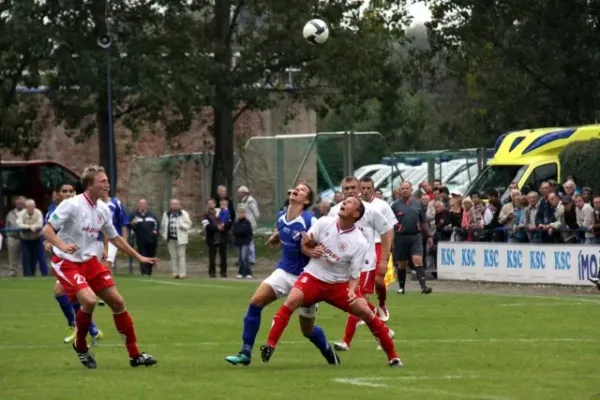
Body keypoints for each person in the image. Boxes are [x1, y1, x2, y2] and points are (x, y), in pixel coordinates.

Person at [260, 197, 402, 367]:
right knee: (292, 301)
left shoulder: (359, 242)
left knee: (366, 312)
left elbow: (355, 274)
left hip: (338, 285)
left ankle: (393, 357)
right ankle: (270, 345)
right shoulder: (324, 222)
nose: (344, 203)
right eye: (345, 201)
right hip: (313, 278)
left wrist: (351, 290)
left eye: (349, 203)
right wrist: (310, 250)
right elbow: (305, 245)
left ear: (356, 214)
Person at [42, 165, 158, 369]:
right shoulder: (71, 205)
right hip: (66, 262)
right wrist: (63, 246)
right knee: (89, 299)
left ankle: (135, 355)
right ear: (89, 185)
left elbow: (115, 238)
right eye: (102, 181)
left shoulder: (103, 209)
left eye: (107, 180)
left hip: (89, 262)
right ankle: (81, 345)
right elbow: (47, 229)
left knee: (118, 302)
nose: (107, 184)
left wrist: (139, 256)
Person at [225, 183, 340, 366]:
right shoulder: (281, 216)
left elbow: (324, 244)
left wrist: (312, 250)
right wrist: (277, 236)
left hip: (306, 278)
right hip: (284, 272)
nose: (297, 190)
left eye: (302, 190)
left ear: (307, 200)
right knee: (255, 302)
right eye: (296, 188)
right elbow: (287, 229)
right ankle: (245, 352)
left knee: (307, 330)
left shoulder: (311, 221)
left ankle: (327, 350)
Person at [327, 176, 394, 352]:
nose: (350, 191)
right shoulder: (335, 211)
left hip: (365, 264)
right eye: (346, 188)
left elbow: (387, 231)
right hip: (343, 266)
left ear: (359, 189)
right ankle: (384, 331)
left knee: (355, 300)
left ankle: (346, 342)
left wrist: (384, 259)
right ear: (341, 191)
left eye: (353, 187)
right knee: (360, 302)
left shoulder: (371, 210)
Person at [45, 182, 104, 345]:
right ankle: (89, 329)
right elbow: (48, 233)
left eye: (71, 191)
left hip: (81, 258)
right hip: (65, 259)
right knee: (64, 293)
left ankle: (81, 327)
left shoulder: (79, 207)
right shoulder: (52, 212)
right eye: (64, 191)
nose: (68, 194)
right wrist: (48, 243)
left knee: (63, 292)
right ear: (56, 194)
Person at [358, 176, 396, 321]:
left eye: (369, 188)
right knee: (359, 283)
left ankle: (382, 304)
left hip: (379, 245)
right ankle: (363, 311)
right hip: (362, 247)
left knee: (379, 281)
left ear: (373, 189)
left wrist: (388, 252)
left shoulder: (382, 205)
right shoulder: (355, 205)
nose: (366, 191)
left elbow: (389, 229)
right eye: (363, 188)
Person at [392, 181, 433, 294]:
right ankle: (401, 288)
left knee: (417, 260)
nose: (405, 190)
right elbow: (390, 222)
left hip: (415, 236)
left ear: (411, 189)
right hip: (400, 237)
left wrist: (429, 235)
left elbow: (424, 222)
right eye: (403, 188)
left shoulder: (418, 204)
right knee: (402, 264)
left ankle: (424, 287)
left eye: (407, 188)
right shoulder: (395, 205)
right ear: (400, 190)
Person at [129, 199, 159, 276]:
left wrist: (155, 232)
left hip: (152, 240)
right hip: (140, 239)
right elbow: (129, 225)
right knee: (142, 255)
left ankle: (149, 272)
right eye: (141, 204)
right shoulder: (134, 214)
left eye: (144, 204)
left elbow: (157, 224)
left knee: (150, 255)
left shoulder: (152, 215)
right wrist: (133, 224)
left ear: (146, 205)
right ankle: (144, 272)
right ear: (138, 205)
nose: (142, 205)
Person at [232, 205, 254, 279]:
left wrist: (240, 232)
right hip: (238, 243)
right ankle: (241, 272)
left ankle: (248, 272)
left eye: (242, 212)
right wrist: (241, 232)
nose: (241, 214)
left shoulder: (247, 222)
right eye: (239, 212)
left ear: (245, 213)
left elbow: (248, 232)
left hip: (245, 242)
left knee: (245, 258)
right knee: (240, 258)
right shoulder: (236, 223)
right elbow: (234, 232)